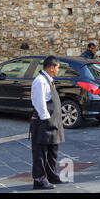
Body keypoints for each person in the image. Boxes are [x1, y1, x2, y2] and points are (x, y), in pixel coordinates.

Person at [29, 56, 66, 190]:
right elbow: (39, 103)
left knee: (52, 151)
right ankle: (39, 180)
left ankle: (51, 175)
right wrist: (47, 121)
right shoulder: (40, 81)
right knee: (40, 153)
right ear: (51, 68)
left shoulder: (49, 80)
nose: (58, 70)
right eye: (57, 68)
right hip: (43, 122)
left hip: (52, 121)